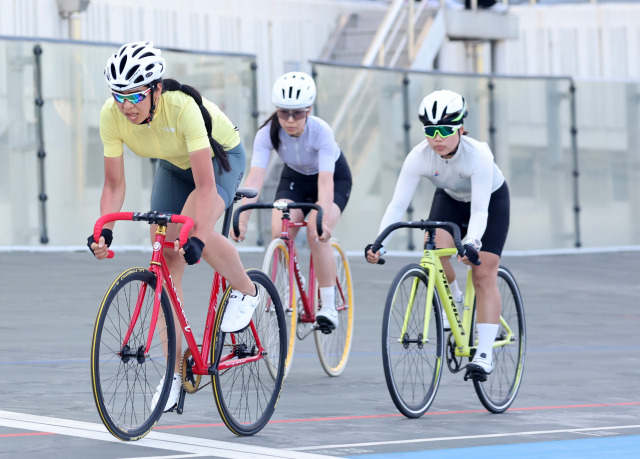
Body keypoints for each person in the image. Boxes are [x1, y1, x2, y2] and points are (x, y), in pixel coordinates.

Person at [87, 41, 259, 412]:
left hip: (218, 160)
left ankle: (246, 289)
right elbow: (114, 184)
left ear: (156, 89)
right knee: (165, 263)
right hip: (172, 164)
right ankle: (172, 374)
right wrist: (103, 229)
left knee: (192, 233)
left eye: (134, 95)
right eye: (118, 96)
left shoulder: (182, 108)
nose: (126, 106)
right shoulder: (112, 114)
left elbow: (206, 188)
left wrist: (197, 237)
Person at [365, 89, 510, 378]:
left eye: (444, 130)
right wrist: (380, 242)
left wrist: (472, 243)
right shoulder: (419, 156)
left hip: (490, 201)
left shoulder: (478, 154)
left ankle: (483, 354)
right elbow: (397, 205)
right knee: (432, 250)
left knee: (482, 272)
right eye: (431, 131)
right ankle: (453, 298)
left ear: (460, 128)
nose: (437, 139)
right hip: (451, 199)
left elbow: (480, 210)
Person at [232, 71, 352, 330]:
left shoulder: (321, 132)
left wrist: (320, 217)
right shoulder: (268, 132)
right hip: (295, 179)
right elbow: (255, 177)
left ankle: (328, 305)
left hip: (332, 178)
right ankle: (287, 291)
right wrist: (243, 217)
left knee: (315, 232)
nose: (289, 120)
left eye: (296, 113)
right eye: (283, 112)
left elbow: (325, 181)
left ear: (308, 111)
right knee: (279, 230)